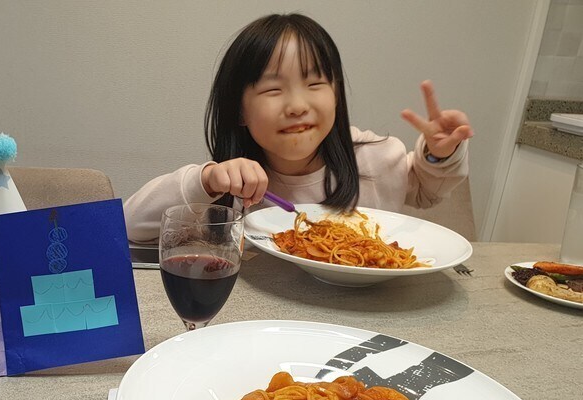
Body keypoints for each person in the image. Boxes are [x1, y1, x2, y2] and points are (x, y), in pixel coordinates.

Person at [123, 13, 473, 243]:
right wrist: (208, 179)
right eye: (273, 90)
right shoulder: (232, 186)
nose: (297, 106)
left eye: (315, 84)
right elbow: (130, 225)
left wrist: (438, 155)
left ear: (336, 95)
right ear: (239, 111)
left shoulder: (377, 158)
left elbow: (428, 192)